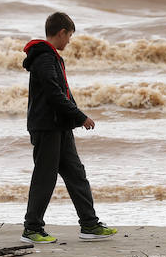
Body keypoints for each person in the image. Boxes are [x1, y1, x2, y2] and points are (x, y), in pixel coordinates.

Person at [21, 12, 116, 244]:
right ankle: (32, 229)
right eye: (69, 35)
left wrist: (74, 117)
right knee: (45, 178)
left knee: (76, 174)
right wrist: (80, 116)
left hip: (60, 127)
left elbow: (63, 93)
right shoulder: (44, 57)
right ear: (61, 32)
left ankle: (90, 225)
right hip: (46, 127)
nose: (70, 41)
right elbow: (53, 94)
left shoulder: (51, 57)